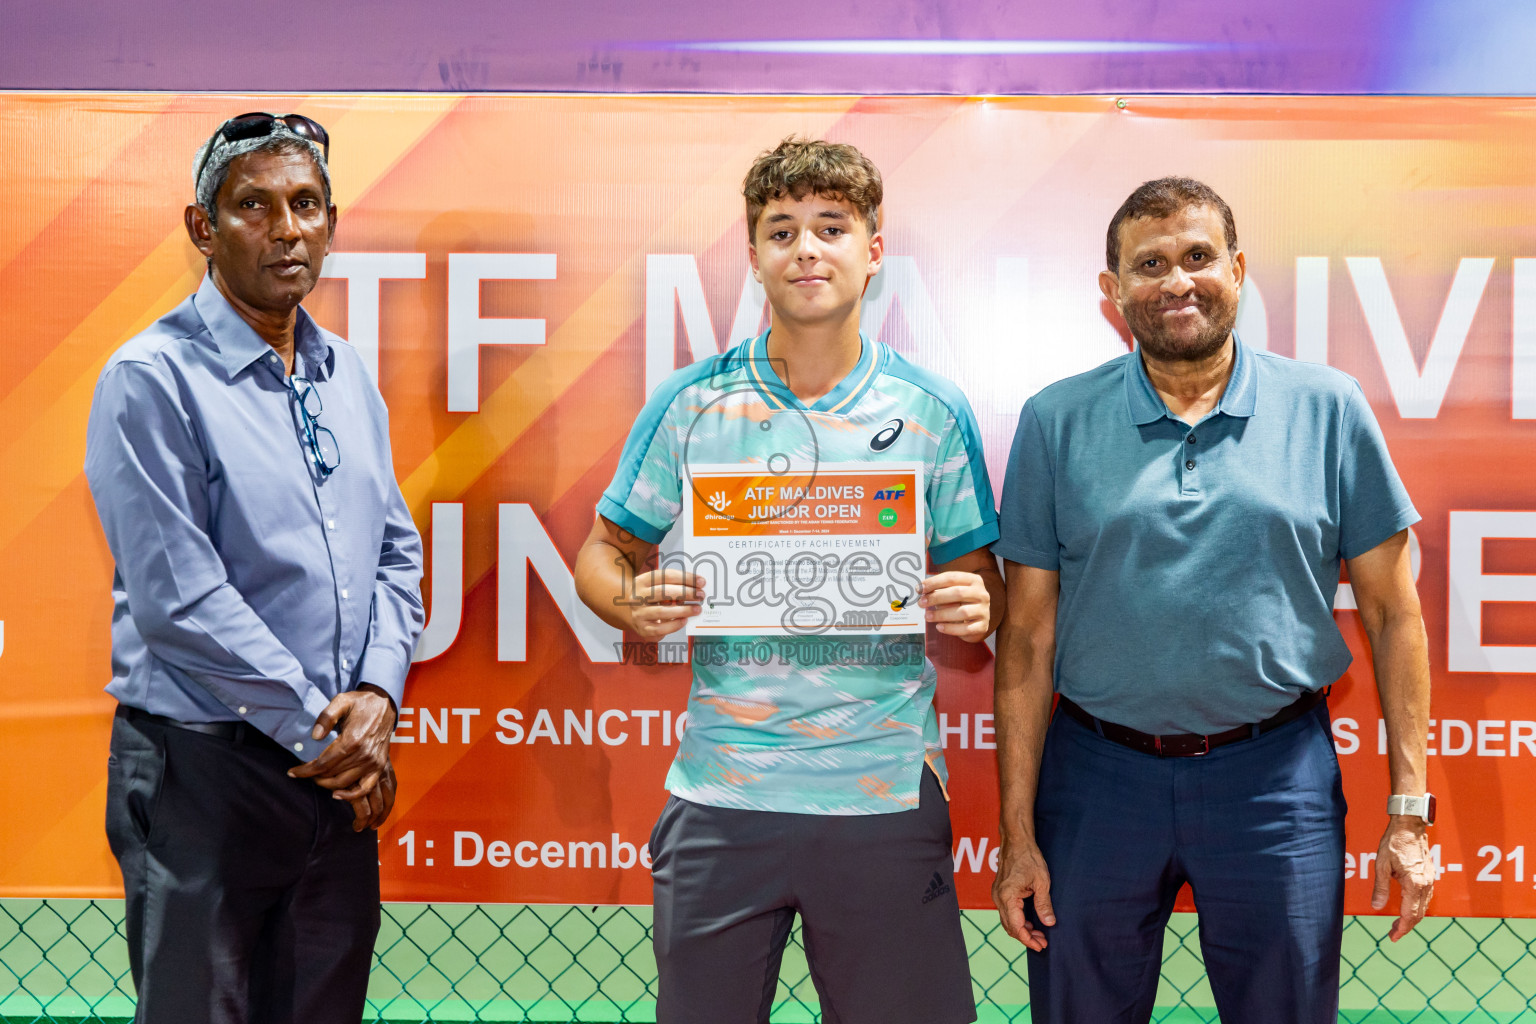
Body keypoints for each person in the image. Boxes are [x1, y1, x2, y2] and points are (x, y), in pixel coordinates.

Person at [575, 137, 1002, 1024]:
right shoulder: (691, 402)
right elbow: (602, 553)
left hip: (882, 790)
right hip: (725, 792)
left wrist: (977, 602)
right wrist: (631, 603)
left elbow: (981, 579)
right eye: (782, 230)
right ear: (756, 255)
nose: (807, 248)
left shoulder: (932, 410)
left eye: (831, 227)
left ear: (873, 251)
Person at [990, 177, 1435, 1023]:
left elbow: (1392, 612)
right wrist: (1019, 836)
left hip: (1275, 781)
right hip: (1096, 779)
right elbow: (1028, 639)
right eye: (1148, 264)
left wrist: (1410, 813)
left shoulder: (1328, 408)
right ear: (1112, 292)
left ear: (1236, 268)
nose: (1176, 281)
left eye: (1198, 257)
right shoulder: (1056, 421)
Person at [84, 112, 425, 1024]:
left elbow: (394, 548)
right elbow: (180, 602)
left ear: (331, 220)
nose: (287, 228)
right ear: (203, 227)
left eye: (306, 204)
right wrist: (332, 737)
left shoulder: (344, 371)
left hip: (334, 778)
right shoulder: (150, 378)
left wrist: (379, 699)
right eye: (254, 206)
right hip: (208, 772)